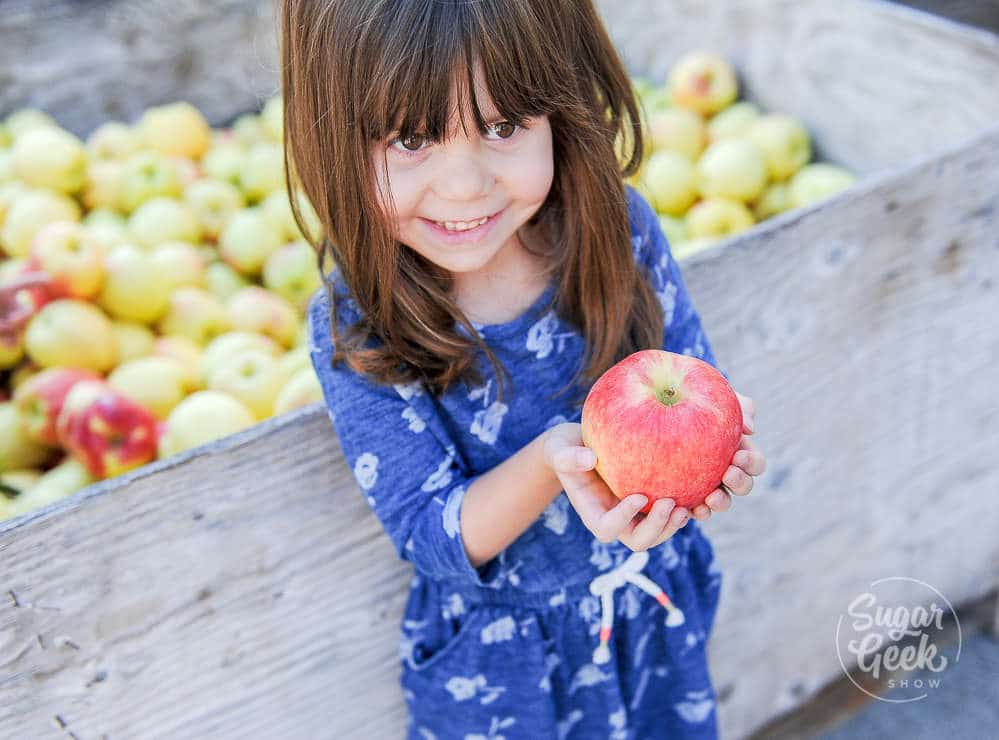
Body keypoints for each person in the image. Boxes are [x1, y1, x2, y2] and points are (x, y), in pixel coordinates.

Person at [279, 1, 766, 737]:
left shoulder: (616, 230)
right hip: (505, 677)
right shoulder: (363, 324)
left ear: (559, 108)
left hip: (646, 615)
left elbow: (689, 381)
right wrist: (553, 459)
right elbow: (431, 534)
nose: (466, 184)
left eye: (503, 128)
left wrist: (708, 458)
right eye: (411, 139)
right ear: (333, 141)